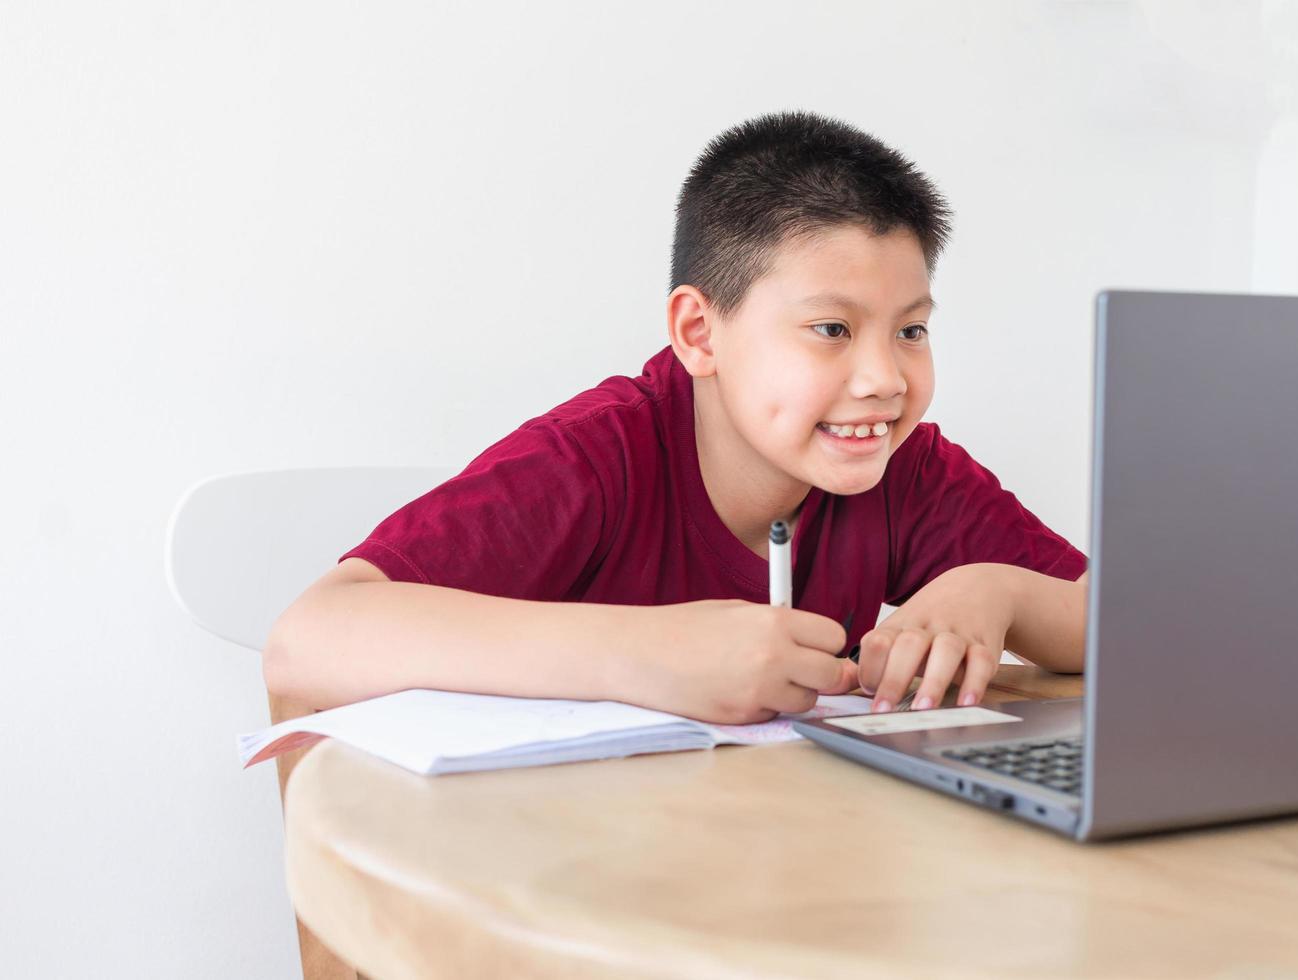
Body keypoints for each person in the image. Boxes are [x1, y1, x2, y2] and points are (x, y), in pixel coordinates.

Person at [264, 111, 1089, 724]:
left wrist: (1001, 592)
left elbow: (1132, 622)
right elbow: (309, 640)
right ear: (700, 332)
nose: (883, 379)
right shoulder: (596, 458)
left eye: (910, 329)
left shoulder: (906, 471)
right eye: (831, 330)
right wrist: (650, 653)